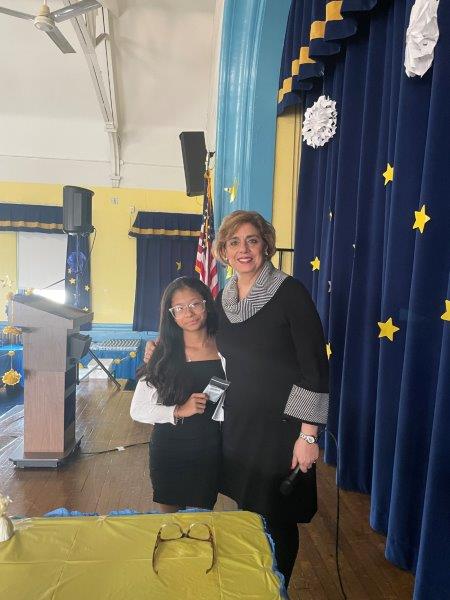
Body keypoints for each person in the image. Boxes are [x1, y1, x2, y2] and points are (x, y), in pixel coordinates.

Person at [213, 210, 329, 585]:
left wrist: (308, 435)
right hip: (241, 423)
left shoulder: (289, 292)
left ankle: (277, 587)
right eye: (234, 242)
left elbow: (315, 368)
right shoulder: (224, 298)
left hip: (283, 427)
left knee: (278, 515)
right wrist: (160, 348)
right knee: (248, 508)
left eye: (252, 240)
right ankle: (256, 582)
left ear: (265, 245)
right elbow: (206, 345)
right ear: (224, 252)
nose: (243, 249)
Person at [130, 277, 225, 512]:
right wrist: (179, 410)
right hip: (170, 449)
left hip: (210, 448)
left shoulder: (226, 348)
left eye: (195, 304)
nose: (189, 313)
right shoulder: (163, 354)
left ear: (206, 304)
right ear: (171, 315)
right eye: (179, 308)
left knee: (200, 521)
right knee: (170, 525)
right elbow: (138, 409)